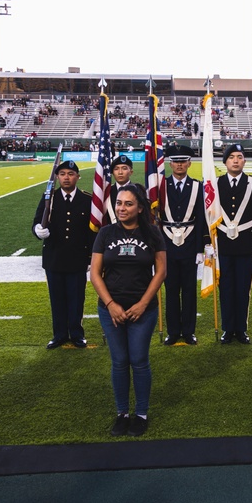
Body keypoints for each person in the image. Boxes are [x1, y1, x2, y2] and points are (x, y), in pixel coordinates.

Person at [90, 184, 167, 437]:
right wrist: (111, 305)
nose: (121, 208)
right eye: (119, 203)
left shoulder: (153, 233)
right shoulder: (105, 233)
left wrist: (144, 303)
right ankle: (122, 413)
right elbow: (95, 274)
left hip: (142, 310)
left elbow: (161, 272)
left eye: (128, 204)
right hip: (110, 309)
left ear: (140, 208)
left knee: (139, 361)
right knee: (120, 362)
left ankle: (141, 414)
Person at [32, 160, 96, 349]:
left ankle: (76, 334)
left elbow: (92, 231)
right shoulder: (49, 198)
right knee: (57, 299)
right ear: (57, 177)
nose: (66, 177)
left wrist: (92, 257)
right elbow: (37, 222)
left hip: (77, 258)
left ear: (78, 176)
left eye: (70, 174)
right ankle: (59, 334)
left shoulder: (87, 199)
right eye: (62, 174)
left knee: (76, 299)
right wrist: (38, 230)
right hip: (54, 258)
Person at [158, 144, 209, 346]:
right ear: (170, 164)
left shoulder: (198, 187)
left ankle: (188, 331)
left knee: (189, 290)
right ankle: (173, 331)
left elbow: (202, 220)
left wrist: (200, 248)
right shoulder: (161, 186)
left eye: (183, 161)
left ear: (189, 163)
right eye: (176, 161)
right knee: (171, 290)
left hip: (189, 245)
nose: (179, 165)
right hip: (167, 245)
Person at [217, 143, 252, 344]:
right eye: (231, 157)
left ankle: (241, 329)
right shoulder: (216, 183)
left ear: (244, 161)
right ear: (225, 162)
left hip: (246, 243)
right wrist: (207, 243)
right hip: (223, 245)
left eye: (239, 157)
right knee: (226, 288)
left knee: (242, 288)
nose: (236, 160)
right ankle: (228, 329)